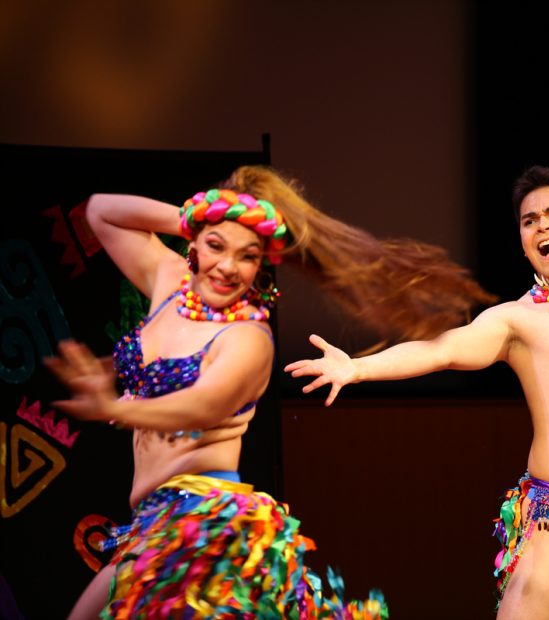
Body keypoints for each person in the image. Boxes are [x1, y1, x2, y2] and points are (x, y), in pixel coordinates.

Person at [285, 10, 549, 619]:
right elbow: (442, 349)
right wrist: (358, 370)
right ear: (523, 242)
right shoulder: (517, 321)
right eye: (529, 221)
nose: (542, 226)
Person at [47, 165, 495, 619]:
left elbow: (203, 405)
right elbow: (102, 210)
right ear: (193, 241)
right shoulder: (167, 282)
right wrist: (202, 216)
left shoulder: (248, 337)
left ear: (261, 263)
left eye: (247, 255)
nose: (227, 267)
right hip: (153, 523)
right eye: (216, 245)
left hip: (203, 523)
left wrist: (115, 407)